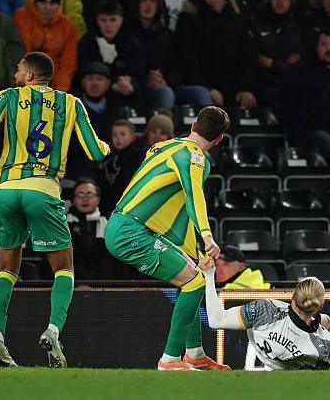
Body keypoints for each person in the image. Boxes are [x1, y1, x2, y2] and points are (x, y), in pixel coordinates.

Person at [0, 52, 110, 368]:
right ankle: (53, 331)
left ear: (31, 76)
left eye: (19, 69)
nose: (16, 73)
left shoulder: (7, 97)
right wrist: (105, 147)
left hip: (5, 191)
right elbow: (93, 150)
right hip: (42, 190)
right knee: (64, 270)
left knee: (7, 269)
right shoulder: (71, 103)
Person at [104, 106, 230, 371]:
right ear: (218, 140)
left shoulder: (164, 146)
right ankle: (170, 360)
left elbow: (175, 206)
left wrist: (194, 253)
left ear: (194, 125)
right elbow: (194, 198)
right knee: (194, 282)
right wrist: (207, 237)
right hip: (133, 231)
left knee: (192, 278)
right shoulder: (195, 157)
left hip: (129, 225)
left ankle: (195, 354)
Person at [199, 260, 330, 370]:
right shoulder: (320, 347)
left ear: (293, 295)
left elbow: (216, 320)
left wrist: (209, 275)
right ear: (320, 304)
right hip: (306, 358)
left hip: (273, 356)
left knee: (325, 321)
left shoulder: (264, 309)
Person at [175, 0, 258, 108]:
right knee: (203, 96)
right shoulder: (190, 21)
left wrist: (245, 88)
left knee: (248, 99)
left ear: (226, 0)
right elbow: (187, 59)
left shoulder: (237, 24)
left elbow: (247, 58)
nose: (212, 0)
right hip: (198, 85)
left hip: (232, 87)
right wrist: (207, 87)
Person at [77, 1, 145, 109]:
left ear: (121, 20)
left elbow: (140, 73)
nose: (108, 25)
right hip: (95, 91)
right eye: (103, 20)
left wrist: (131, 84)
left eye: (112, 20)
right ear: (97, 21)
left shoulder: (132, 43)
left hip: (126, 91)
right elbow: (83, 72)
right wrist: (111, 85)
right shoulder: (87, 43)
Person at [13, 0, 78, 91]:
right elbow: (23, 53)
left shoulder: (68, 26)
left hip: (54, 80)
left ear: (59, 4)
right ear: (36, 2)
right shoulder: (22, 17)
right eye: (43, 2)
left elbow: (68, 63)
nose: (48, 7)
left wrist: (59, 92)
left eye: (52, 3)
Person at [249, 0, 304, 104]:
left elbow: (297, 67)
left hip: (290, 87)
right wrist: (283, 65)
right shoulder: (255, 23)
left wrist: (271, 64)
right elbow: (254, 59)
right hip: (260, 87)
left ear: (291, 0)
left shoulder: (298, 27)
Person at [67, 178, 110, 280]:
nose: (85, 199)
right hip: (71, 283)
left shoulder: (109, 225)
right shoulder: (63, 226)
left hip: (102, 284)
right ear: (73, 200)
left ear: (98, 199)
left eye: (90, 194)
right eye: (80, 195)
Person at [101, 119, 146, 214]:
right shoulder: (109, 157)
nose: (118, 138)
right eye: (114, 135)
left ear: (133, 137)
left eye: (122, 134)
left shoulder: (139, 158)